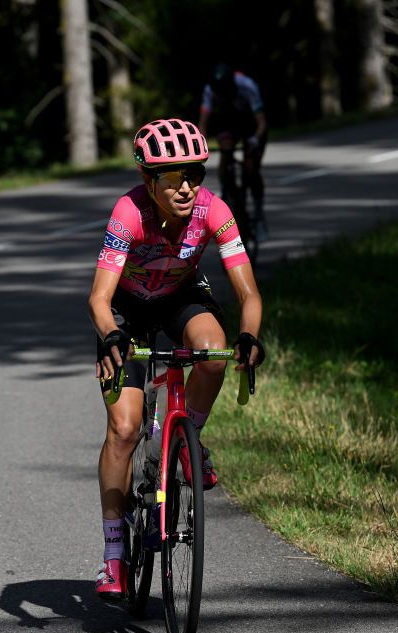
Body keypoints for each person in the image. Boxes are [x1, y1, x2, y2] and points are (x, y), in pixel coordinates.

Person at [87, 117, 265, 600]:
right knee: (124, 430)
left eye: (195, 175)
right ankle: (113, 554)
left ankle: (191, 441)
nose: (186, 188)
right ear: (150, 182)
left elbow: (248, 293)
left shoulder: (215, 211)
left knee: (214, 351)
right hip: (127, 308)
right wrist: (109, 338)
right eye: (172, 178)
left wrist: (249, 336)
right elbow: (99, 299)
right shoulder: (128, 212)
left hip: (181, 295)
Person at [198, 63, 269, 240]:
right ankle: (226, 191)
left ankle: (259, 216)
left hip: (251, 123)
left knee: (252, 168)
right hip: (229, 121)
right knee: (225, 150)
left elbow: (261, 121)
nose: (220, 95)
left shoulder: (247, 86)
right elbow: (204, 123)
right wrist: (198, 143)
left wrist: (254, 139)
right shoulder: (209, 90)